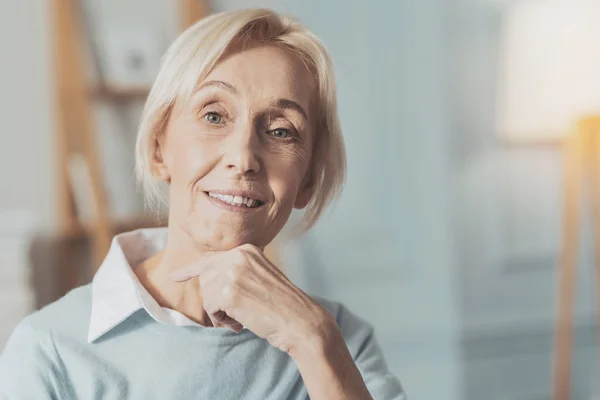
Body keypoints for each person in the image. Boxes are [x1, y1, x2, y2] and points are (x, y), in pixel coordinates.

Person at [0, 8, 405, 400]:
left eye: (281, 131)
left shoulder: (339, 341)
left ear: (308, 182)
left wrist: (312, 340)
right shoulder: (50, 352)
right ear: (160, 148)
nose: (244, 157)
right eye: (214, 116)